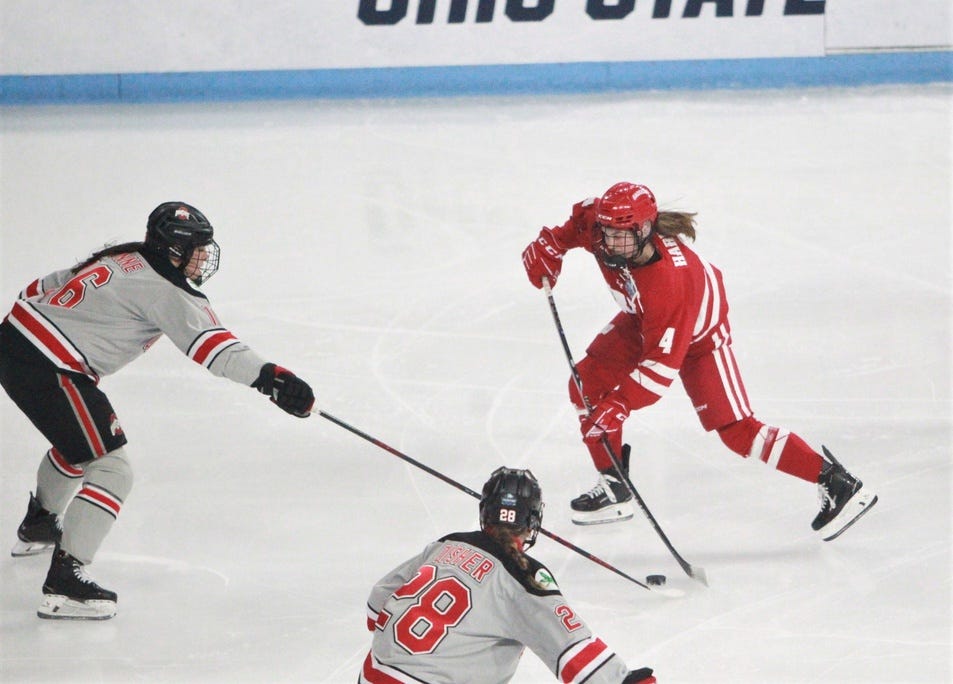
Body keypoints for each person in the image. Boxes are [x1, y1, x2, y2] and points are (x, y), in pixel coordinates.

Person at [0, 201, 315, 620]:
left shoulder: (121, 257)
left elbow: (38, 289)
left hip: (15, 340)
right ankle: (66, 582)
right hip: (50, 367)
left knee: (79, 441)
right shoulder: (167, 290)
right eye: (197, 248)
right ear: (172, 249)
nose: (204, 256)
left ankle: (40, 523)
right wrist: (273, 378)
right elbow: (215, 349)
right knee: (113, 468)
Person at [520, 182, 877, 539]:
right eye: (607, 233)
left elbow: (660, 369)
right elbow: (573, 228)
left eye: (621, 236)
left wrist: (620, 404)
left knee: (737, 432)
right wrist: (550, 246)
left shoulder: (670, 284)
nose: (610, 244)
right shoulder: (603, 226)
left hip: (698, 337)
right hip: (644, 319)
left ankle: (837, 482)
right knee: (585, 384)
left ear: (644, 229)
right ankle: (614, 486)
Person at [361, 466, 656, 684]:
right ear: (533, 520)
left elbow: (377, 605)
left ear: (485, 512)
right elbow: (577, 653)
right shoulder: (524, 576)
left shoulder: (448, 544)